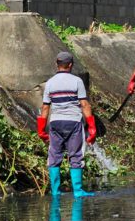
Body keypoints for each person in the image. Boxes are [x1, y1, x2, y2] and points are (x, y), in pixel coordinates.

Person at [37, 51, 97, 197]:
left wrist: (41, 130)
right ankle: (77, 191)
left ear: (56, 64)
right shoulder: (77, 81)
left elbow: (45, 107)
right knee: (75, 155)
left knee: (54, 156)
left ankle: (56, 192)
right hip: (73, 122)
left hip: (56, 123)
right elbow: (84, 104)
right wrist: (92, 127)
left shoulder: (50, 83)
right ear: (70, 65)